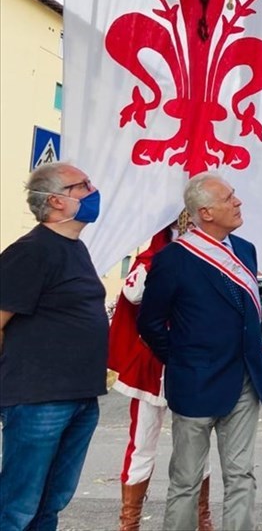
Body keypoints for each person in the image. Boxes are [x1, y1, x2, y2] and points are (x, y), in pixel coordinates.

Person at [138, 172, 262, 531]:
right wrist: (182, 359)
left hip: (245, 379)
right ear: (206, 213)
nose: (238, 202)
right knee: (185, 482)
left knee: (242, 475)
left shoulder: (245, 251)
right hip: (195, 382)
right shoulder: (174, 259)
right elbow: (150, 322)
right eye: (229, 198)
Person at [0, 162, 108, 531]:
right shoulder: (31, 251)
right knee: (18, 506)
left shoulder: (74, 248)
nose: (94, 190)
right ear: (56, 201)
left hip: (79, 395)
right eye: (84, 185)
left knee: (51, 501)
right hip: (38, 400)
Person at [108, 212, 214, 531]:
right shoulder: (152, 257)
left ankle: (201, 518)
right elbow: (133, 293)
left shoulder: (210, 259)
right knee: (142, 445)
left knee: (198, 447)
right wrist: (164, 260)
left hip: (194, 363)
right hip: (152, 365)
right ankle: (130, 523)